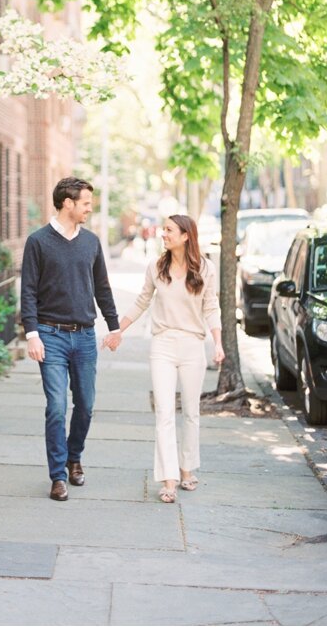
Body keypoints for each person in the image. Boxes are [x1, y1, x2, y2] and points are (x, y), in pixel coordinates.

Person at [20, 177, 123, 502]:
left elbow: (102, 287)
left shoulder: (91, 242)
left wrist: (114, 326)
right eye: (86, 203)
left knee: (86, 405)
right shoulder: (38, 242)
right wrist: (32, 334)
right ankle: (58, 476)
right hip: (50, 335)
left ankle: (74, 456)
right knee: (56, 407)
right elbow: (28, 292)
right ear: (68, 202)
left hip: (85, 337)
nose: (90, 209)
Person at [116, 214, 223, 504]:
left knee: (190, 412)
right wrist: (118, 331)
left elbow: (212, 306)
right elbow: (142, 300)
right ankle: (169, 479)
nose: (164, 234)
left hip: (192, 344)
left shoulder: (205, 268)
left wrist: (218, 342)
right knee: (164, 413)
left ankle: (187, 468)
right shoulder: (156, 266)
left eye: (169, 230)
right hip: (162, 344)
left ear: (186, 236)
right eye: (164, 230)